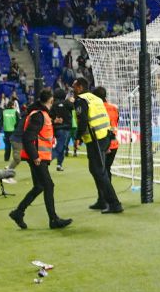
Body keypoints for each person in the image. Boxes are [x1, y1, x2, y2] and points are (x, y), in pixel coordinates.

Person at [8, 89, 72, 230]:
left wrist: (54, 123)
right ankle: (53, 219)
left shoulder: (40, 114)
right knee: (48, 185)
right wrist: (35, 156)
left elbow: (39, 132)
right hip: (38, 158)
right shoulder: (39, 115)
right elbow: (28, 136)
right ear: (51, 100)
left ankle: (18, 212)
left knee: (40, 186)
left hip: (38, 157)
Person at [72, 77, 122, 214]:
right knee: (96, 170)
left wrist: (77, 138)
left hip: (95, 140)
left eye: (74, 86)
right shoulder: (96, 99)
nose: (73, 89)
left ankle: (114, 203)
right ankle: (103, 200)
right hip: (104, 137)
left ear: (80, 87)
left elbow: (82, 121)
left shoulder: (81, 100)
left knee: (99, 171)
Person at [93, 85, 120, 193]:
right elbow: (116, 122)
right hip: (114, 143)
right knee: (106, 169)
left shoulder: (97, 109)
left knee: (102, 171)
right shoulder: (114, 108)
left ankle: (107, 196)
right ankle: (105, 197)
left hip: (104, 143)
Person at [52, 90, 74, 172]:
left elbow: (50, 115)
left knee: (61, 146)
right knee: (60, 147)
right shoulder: (67, 103)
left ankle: (59, 164)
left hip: (56, 128)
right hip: (65, 128)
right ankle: (45, 162)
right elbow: (73, 107)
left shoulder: (53, 104)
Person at [1, 99, 20, 164]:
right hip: (14, 131)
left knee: (7, 145)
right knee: (15, 146)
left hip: (6, 130)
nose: (15, 106)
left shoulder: (4, 112)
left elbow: (1, 121)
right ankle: (16, 158)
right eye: (14, 105)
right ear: (12, 106)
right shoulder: (15, 112)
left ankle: (6, 158)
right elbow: (18, 122)